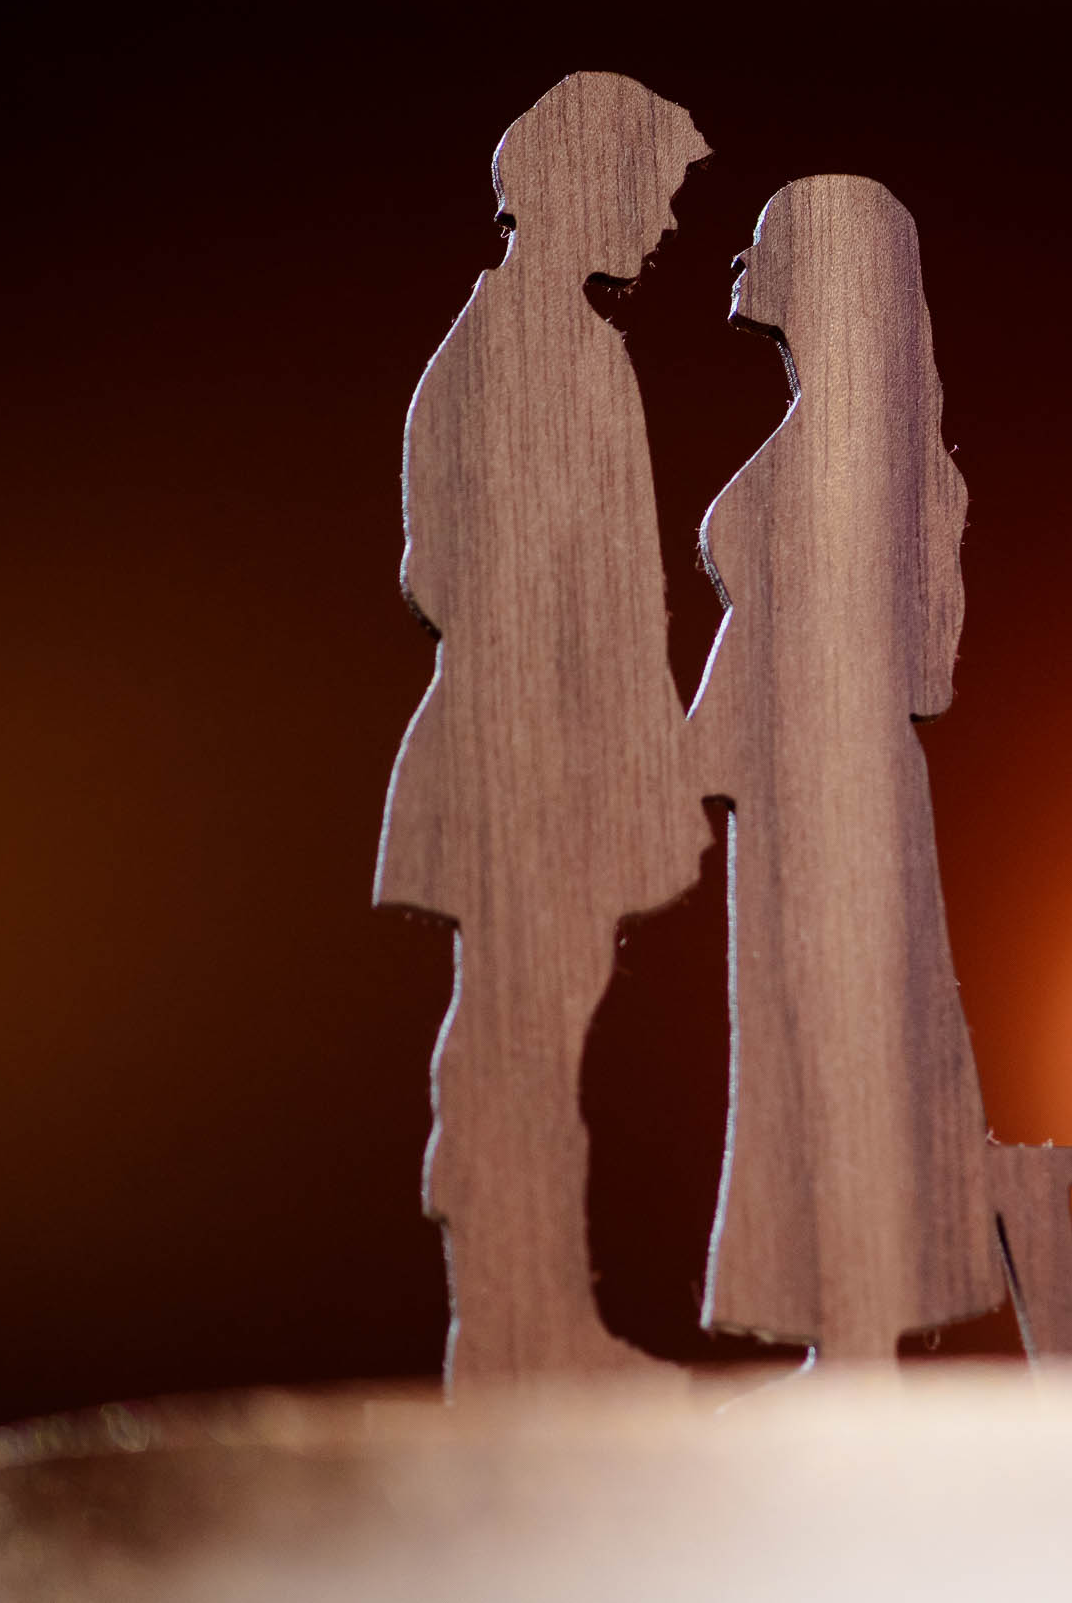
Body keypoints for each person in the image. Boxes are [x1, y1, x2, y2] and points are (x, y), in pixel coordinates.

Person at [376, 72, 711, 1386]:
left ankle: (536, 1315)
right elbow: (449, 573)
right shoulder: (513, 351)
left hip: (565, 762)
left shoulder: (574, 348)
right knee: (518, 1032)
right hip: (517, 760)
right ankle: (515, 1323)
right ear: (591, 181)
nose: (671, 225)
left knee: (540, 1033)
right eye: (660, 193)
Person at [691, 176, 1003, 1363]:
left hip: (835, 793)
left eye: (760, 244)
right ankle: (839, 1327)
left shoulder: (863, 456)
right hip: (796, 784)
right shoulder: (833, 435)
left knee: (846, 1042)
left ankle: (859, 1332)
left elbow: (913, 667)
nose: (732, 262)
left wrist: (704, 750)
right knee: (800, 1039)